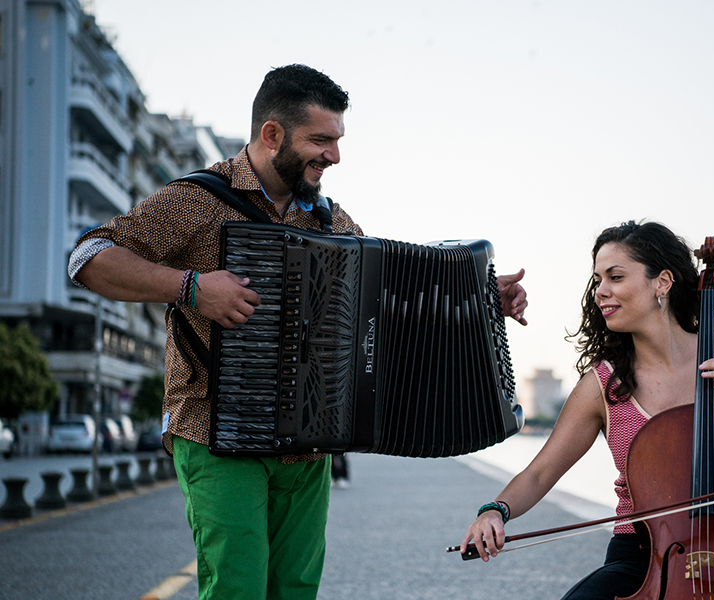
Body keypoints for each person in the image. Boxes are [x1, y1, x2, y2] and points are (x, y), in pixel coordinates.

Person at [70, 64, 528, 600]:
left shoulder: (334, 223)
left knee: (295, 591)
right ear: (272, 134)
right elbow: (88, 257)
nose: (334, 155)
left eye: (337, 140)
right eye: (321, 140)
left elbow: (391, 308)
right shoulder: (198, 200)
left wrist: (479, 301)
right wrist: (192, 287)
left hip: (310, 447)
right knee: (237, 588)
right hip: (216, 434)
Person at [460, 220, 714, 600]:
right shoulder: (603, 385)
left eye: (616, 277)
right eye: (598, 280)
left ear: (662, 282)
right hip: (642, 561)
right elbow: (539, 474)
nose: (601, 291)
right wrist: (495, 511)